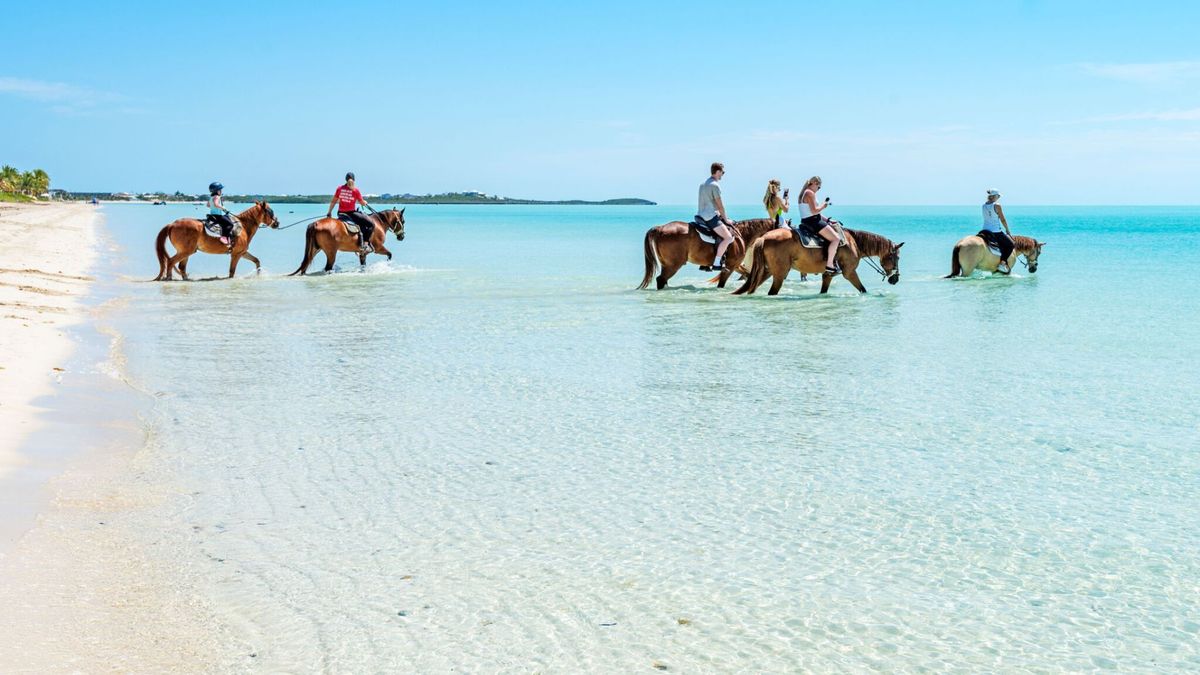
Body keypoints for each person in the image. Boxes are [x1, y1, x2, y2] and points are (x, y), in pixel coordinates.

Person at [796, 176, 840, 275]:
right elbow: (814, 211)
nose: (818, 189)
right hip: (813, 222)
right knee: (836, 239)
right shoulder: (809, 193)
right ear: (815, 183)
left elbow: (811, 212)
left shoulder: (803, 193)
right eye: (819, 187)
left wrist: (828, 220)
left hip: (808, 220)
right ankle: (830, 265)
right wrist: (824, 205)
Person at [696, 162, 735, 272]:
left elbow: (707, 202)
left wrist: (717, 212)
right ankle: (717, 263)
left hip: (700, 215)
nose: (723, 174)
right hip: (710, 217)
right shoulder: (715, 185)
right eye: (723, 172)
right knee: (728, 238)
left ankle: (706, 261)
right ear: (718, 172)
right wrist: (726, 219)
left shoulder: (703, 184)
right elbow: (720, 206)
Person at [326, 172, 376, 254]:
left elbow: (333, 201)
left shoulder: (339, 189)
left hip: (341, 213)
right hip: (351, 214)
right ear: (354, 180)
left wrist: (329, 212)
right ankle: (366, 245)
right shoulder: (355, 190)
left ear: (346, 180)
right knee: (371, 225)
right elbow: (362, 202)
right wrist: (365, 202)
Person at [980, 189, 1015, 273]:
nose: (998, 198)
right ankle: (1002, 264)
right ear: (994, 196)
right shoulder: (997, 205)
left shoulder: (984, 205)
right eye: (998, 196)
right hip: (995, 231)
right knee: (1010, 245)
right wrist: (1007, 229)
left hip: (984, 230)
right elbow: (1003, 219)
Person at [205, 182, 236, 248]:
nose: (221, 191)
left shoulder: (211, 197)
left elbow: (208, 205)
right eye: (220, 190)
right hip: (217, 215)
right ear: (217, 191)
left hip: (212, 215)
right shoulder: (217, 197)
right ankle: (224, 237)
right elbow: (216, 204)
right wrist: (223, 208)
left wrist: (213, 207)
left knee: (227, 219)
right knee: (230, 224)